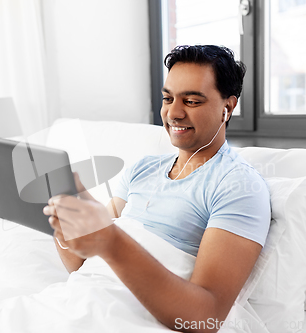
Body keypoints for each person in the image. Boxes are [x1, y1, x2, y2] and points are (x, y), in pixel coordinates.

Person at [43, 45, 271, 332]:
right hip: (82, 301)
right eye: (168, 98)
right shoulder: (143, 169)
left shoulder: (239, 186)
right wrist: (61, 222)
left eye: (191, 101)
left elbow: (206, 317)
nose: (173, 113)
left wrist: (110, 239)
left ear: (228, 107)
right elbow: (84, 264)